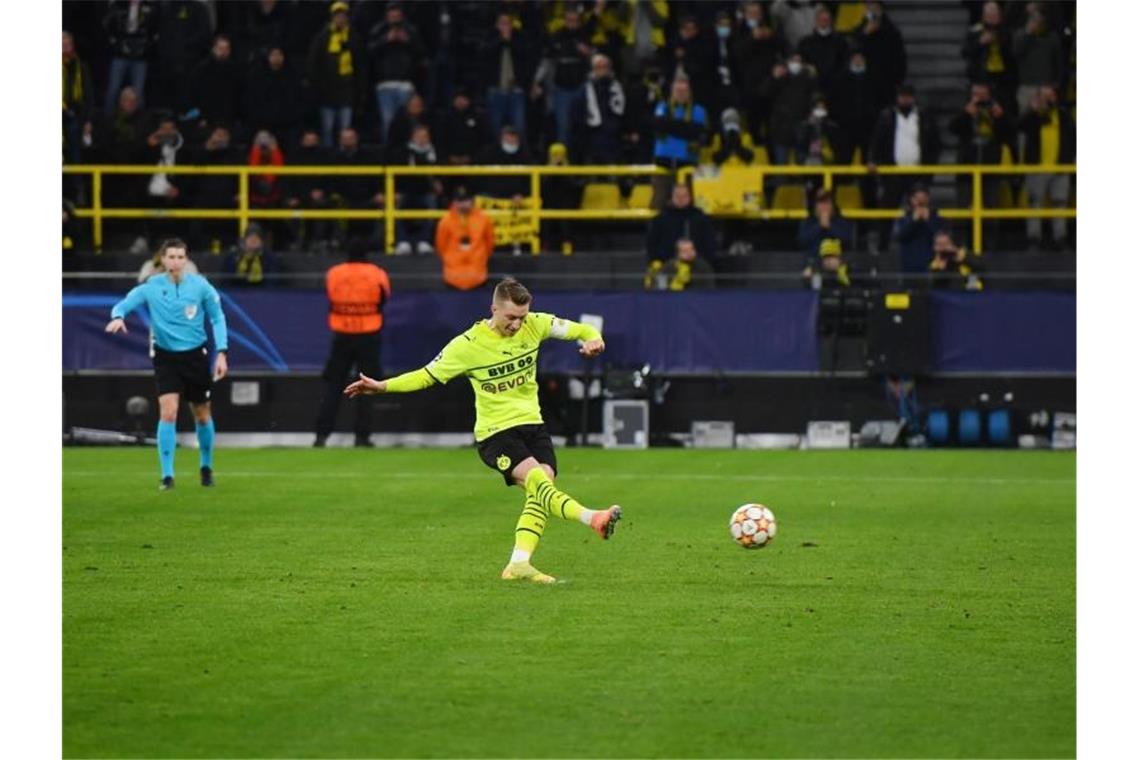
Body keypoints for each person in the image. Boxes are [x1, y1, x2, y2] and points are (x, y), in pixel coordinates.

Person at [344, 277, 622, 584]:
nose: (517, 325)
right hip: (496, 434)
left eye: (522, 317)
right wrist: (382, 386)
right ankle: (592, 517)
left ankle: (519, 564)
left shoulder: (536, 324)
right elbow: (426, 375)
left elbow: (581, 330)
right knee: (540, 484)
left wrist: (595, 339)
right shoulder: (468, 346)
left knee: (540, 493)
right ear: (494, 309)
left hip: (533, 425)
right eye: (510, 318)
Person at [104, 238, 229, 490]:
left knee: (202, 415)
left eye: (180, 257)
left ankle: (205, 467)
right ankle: (167, 476)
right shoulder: (152, 285)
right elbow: (124, 303)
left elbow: (217, 317)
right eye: (171, 256)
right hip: (166, 357)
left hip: (196, 355)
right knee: (168, 412)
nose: (176, 261)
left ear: (186, 260)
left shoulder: (200, 286)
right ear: (162, 259)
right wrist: (118, 316)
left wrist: (222, 352)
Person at [314, 239, 392, 448]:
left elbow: (330, 297)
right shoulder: (377, 273)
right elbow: (384, 298)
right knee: (367, 388)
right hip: (369, 333)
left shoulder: (334, 273)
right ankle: (362, 437)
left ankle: (321, 436)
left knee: (333, 387)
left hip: (342, 334)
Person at [1018, 85, 1075, 249]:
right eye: (1043, 96)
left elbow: (1072, 137)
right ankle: (1034, 238)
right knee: (1035, 203)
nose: (1047, 99)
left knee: (1060, 203)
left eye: (1050, 96)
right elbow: (1020, 126)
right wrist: (1032, 110)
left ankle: (1060, 237)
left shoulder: (1063, 115)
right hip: (1037, 168)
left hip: (1060, 168)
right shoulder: (1033, 116)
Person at [307, 1, 367, 147]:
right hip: (327, 92)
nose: (340, 19)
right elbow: (314, 63)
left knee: (345, 130)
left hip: (347, 91)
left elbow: (360, 64)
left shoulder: (354, 37)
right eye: (337, 16)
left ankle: (345, 158)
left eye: (343, 15)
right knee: (327, 129)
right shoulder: (322, 37)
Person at [650, 75, 708, 207]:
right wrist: (684, 128)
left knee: (688, 203)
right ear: (672, 91)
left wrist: (670, 125)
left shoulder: (698, 110)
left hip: (687, 163)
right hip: (663, 163)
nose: (681, 94)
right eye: (678, 91)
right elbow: (658, 124)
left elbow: (696, 132)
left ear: (690, 92)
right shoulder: (662, 106)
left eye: (684, 91)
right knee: (659, 202)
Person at [103, 0, 158, 114]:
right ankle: (108, 119)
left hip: (141, 55)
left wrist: (147, 46)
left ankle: (140, 123)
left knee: (139, 91)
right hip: (120, 52)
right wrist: (115, 42)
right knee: (114, 88)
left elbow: (154, 29)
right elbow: (108, 25)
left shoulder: (150, 7)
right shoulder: (117, 5)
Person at [435, 188, 496, 290]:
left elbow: (490, 243)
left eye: (465, 200)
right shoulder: (445, 221)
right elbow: (440, 246)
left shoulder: (484, 219)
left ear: (472, 201)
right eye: (459, 201)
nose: (463, 204)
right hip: (452, 278)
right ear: (454, 202)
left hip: (478, 277)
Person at [645, 183, 716, 265]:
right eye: (677, 196)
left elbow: (710, 245)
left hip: (697, 266)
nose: (681, 199)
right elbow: (651, 245)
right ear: (672, 197)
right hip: (667, 265)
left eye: (684, 196)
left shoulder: (701, 219)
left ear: (690, 197)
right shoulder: (659, 220)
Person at [893, 184, 947, 276]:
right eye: (917, 198)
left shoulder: (937, 218)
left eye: (923, 197)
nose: (920, 201)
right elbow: (899, 237)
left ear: (928, 198)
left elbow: (942, 240)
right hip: (909, 267)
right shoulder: (904, 218)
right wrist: (913, 221)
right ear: (911, 199)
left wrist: (928, 221)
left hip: (932, 268)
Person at [644, 237, 716, 290]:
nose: (689, 253)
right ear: (678, 253)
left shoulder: (703, 265)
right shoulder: (669, 266)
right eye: (685, 251)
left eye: (692, 249)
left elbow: (710, 288)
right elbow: (660, 287)